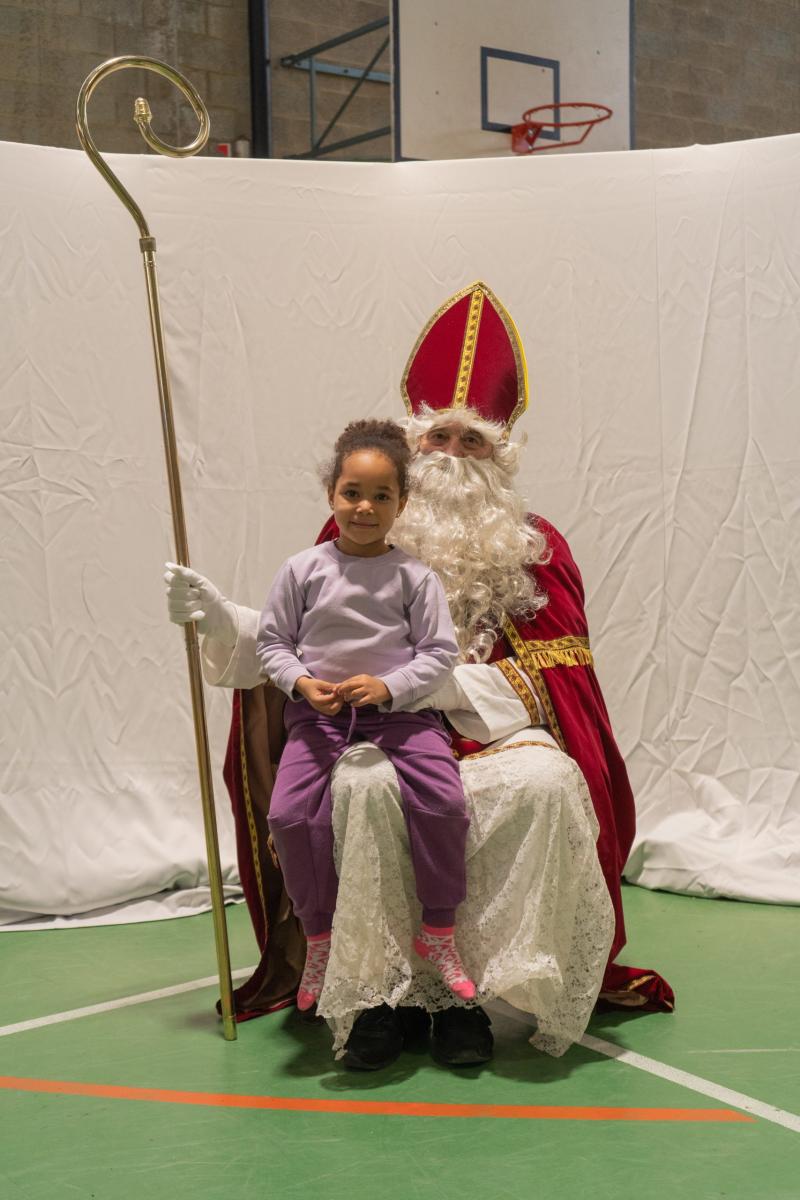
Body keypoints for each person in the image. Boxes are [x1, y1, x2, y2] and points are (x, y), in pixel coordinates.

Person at [165, 282, 673, 1070]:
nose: (454, 457)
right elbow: (294, 641)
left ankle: (468, 1000)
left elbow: (561, 688)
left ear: (500, 455)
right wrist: (217, 618)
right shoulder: (355, 532)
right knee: (363, 791)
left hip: (488, 735)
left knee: (544, 783)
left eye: (473, 441)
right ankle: (379, 996)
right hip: (362, 731)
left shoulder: (534, 546)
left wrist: (434, 687)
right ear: (411, 448)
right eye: (439, 437)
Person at [255, 418, 475, 1011]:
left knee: (444, 802)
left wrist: (387, 686)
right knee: (290, 816)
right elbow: (273, 643)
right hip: (320, 719)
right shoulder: (301, 570)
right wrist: (303, 684)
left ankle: (438, 929)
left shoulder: (415, 576)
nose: (365, 507)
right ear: (331, 494)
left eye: (381, 496)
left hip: (402, 717)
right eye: (352, 492)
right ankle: (319, 937)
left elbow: (439, 655)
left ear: (401, 504)